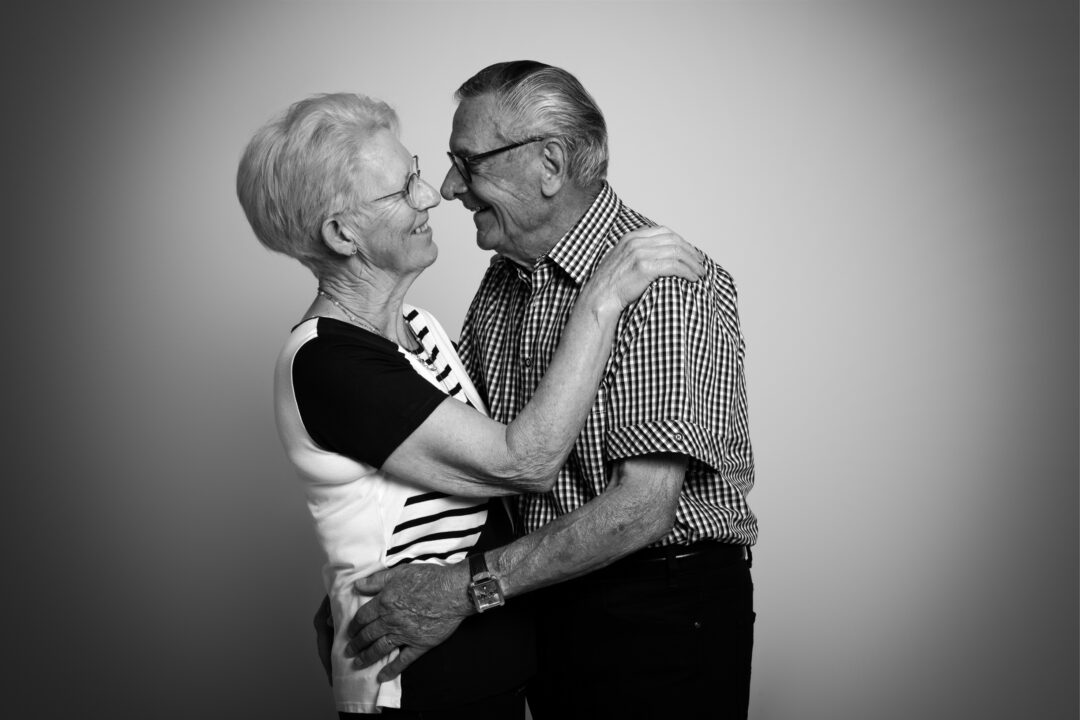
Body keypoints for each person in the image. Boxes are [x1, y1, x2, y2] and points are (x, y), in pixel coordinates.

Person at [235, 92, 705, 718]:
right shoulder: (329, 364)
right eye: (403, 189)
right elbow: (524, 462)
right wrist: (603, 297)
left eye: (419, 172)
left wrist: (349, 584)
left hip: (503, 682)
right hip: (421, 694)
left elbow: (459, 502)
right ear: (343, 233)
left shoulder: (421, 331)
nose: (433, 195)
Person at [345, 61, 760, 719]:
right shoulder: (506, 280)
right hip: (539, 594)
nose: (450, 187)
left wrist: (466, 588)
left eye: (468, 161)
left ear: (550, 163)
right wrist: (356, 593)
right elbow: (461, 458)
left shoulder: (664, 280)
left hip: (654, 607)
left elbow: (640, 511)